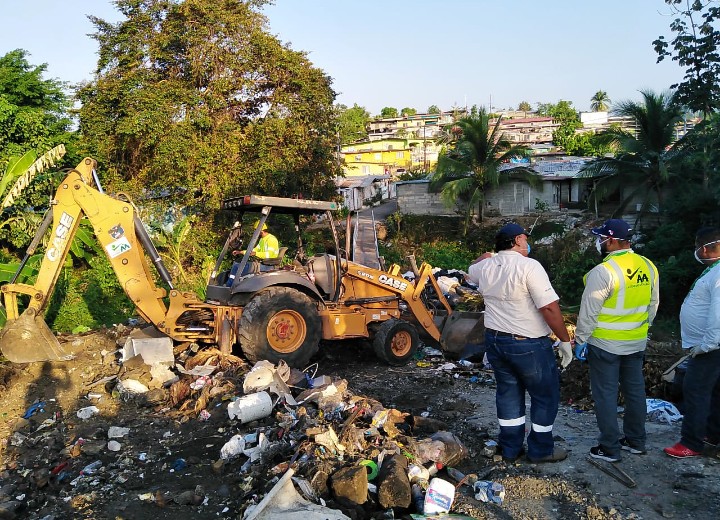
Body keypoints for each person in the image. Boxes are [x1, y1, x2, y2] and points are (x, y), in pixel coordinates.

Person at [473, 223, 573, 463]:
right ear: (517, 240)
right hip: (527, 343)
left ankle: (510, 448)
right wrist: (564, 339)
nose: (528, 243)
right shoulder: (530, 267)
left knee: (508, 393)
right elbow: (549, 307)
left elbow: (471, 269)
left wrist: (486, 255)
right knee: (544, 395)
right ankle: (540, 450)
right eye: (525, 238)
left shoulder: (485, 267)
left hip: (496, 341)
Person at [574, 219, 659, 463]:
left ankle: (609, 448)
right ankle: (636, 441)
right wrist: (641, 329)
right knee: (635, 392)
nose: (599, 242)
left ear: (610, 240)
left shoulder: (604, 271)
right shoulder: (647, 265)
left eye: (600, 238)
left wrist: (581, 339)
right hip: (636, 342)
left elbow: (589, 311)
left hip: (606, 345)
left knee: (606, 395)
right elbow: (653, 304)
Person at [664, 227, 720, 458]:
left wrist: (707, 344)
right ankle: (712, 434)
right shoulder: (715, 271)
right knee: (715, 391)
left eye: (697, 246)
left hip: (710, 348)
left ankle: (691, 442)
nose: (696, 251)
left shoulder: (718, 275)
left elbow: (718, 314)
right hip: (710, 346)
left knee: (695, 391)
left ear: (704, 248)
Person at [226, 221, 280, 286]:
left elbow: (270, 255)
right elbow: (254, 250)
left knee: (237, 267)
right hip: (262, 263)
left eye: (255, 230)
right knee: (237, 264)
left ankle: (229, 286)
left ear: (261, 230)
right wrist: (240, 252)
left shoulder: (271, 239)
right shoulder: (262, 239)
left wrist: (256, 253)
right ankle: (234, 284)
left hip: (268, 266)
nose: (255, 232)